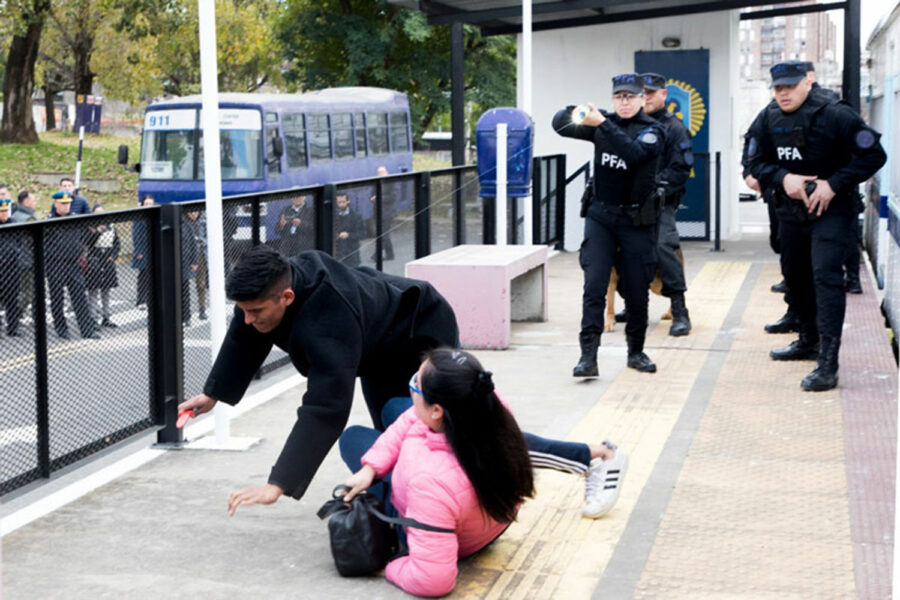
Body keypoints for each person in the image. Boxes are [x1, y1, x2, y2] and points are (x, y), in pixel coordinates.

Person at [181, 246, 628, 518]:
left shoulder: (326, 319)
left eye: (256, 310)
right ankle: (433, 508)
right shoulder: (272, 290)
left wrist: (279, 483)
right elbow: (245, 332)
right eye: (243, 309)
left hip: (421, 335)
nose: (248, 319)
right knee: (396, 442)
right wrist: (213, 394)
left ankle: (594, 458)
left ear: (287, 297)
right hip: (378, 354)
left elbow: (324, 407)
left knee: (458, 433)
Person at [338, 348, 533, 597]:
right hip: (491, 520)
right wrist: (371, 467)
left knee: (352, 437)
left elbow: (433, 582)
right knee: (394, 407)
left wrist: (390, 566)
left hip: (451, 535)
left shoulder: (429, 481)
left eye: (415, 384)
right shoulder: (486, 401)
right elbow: (412, 416)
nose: (411, 387)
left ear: (436, 411)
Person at [745, 61, 886, 391]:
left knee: (826, 278)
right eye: (778, 88)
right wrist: (784, 178)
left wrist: (833, 183)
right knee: (795, 277)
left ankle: (828, 363)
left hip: (832, 211)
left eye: (790, 87)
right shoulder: (768, 117)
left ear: (807, 84)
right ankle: (807, 341)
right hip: (790, 212)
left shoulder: (837, 115)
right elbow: (754, 163)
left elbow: (874, 156)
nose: (783, 93)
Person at [553, 73, 665, 376]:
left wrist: (602, 123)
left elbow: (634, 154)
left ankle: (636, 352)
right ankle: (588, 357)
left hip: (636, 220)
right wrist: (577, 112)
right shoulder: (603, 125)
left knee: (637, 288)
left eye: (630, 96)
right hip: (601, 216)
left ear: (643, 99)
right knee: (594, 286)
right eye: (619, 97)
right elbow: (559, 124)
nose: (624, 102)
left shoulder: (653, 130)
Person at [640, 72, 693, 337]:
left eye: (651, 93)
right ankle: (634, 304)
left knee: (664, 247)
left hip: (661, 203)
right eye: (643, 93)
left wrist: (654, 188)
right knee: (627, 251)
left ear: (663, 94)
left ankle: (680, 311)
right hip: (631, 203)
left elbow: (680, 170)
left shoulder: (675, 128)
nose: (646, 98)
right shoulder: (631, 124)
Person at [46, 192, 100, 340]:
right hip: (55, 265)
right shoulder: (49, 222)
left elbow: (86, 237)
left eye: (68, 203)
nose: (66, 206)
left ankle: (86, 330)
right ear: (56, 204)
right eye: (63, 203)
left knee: (79, 298)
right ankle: (61, 330)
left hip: (73, 264)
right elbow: (43, 245)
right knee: (57, 299)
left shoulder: (76, 219)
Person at [85, 205, 120, 328]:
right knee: (93, 289)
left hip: (108, 257)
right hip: (95, 257)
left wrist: (114, 255)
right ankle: (92, 318)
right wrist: (98, 232)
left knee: (106, 289)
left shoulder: (111, 227)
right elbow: (87, 242)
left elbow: (117, 243)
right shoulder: (90, 227)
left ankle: (106, 316)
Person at [11, 190, 37, 318]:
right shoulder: (28, 219)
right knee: (28, 292)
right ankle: (15, 315)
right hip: (28, 261)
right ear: (26, 202)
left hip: (19, 259)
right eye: (33, 200)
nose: (35, 202)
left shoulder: (15, 214)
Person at [0, 196, 23, 337]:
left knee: (12, 299)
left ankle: (13, 327)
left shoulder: (14, 223)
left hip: (12, 267)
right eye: (2, 211)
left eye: (6, 211)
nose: (4, 213)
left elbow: (19, 241)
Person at [131, 195, 155, 308]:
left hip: (154, 249)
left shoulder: (156, 215)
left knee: (154, 276)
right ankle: (141, 300)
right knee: (143, 275)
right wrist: (138, 251)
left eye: (151, 204)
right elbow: (136, 235)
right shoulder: (139, 216)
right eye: (147, 204)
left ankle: (151, 298)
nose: (149, 206)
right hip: (143, 250)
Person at [369, 166, 396, 262]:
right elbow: (371, 195)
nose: (380, 174)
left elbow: (392, 197)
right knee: (383, 234)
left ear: (386, 172)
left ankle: (376, 254)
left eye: (382, 172)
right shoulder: (376, 183)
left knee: (384, 234)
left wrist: (378, 198)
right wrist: (373, 199)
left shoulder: (391, 183)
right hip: (377, 212)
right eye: (379, 173)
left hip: (387, 213)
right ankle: (390, 254)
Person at [185, 209, 209, 319]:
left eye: (196, 212)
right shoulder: (184, 223)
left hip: (200, 254)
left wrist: (201, 241)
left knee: (201, 283)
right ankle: (186, 312)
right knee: (184, 285)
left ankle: (202, 309)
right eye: (191, 212)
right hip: (186, 255)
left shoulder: (203, 221)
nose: (193, 214)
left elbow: (207, 238)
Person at [333, 192, 365, 267]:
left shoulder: (356, 216)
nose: (341, 204)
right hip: (338, 253)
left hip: (352, 253)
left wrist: (348, 235)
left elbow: (362, 234)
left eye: (343, 202)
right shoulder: (334, 216)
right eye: (339, 202)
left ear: (348, 201)